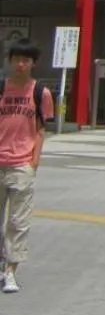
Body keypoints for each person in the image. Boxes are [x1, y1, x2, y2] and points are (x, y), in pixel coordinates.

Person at [0, 39, 52, 294]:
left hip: (22, 164)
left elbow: (41, 130)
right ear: (10, 60)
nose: (21, 64)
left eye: (26, 60)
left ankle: (11, 271)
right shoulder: (1, 87)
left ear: (33, 63)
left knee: (18, 222)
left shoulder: (40, 92)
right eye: (17, 59)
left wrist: (34, 162)